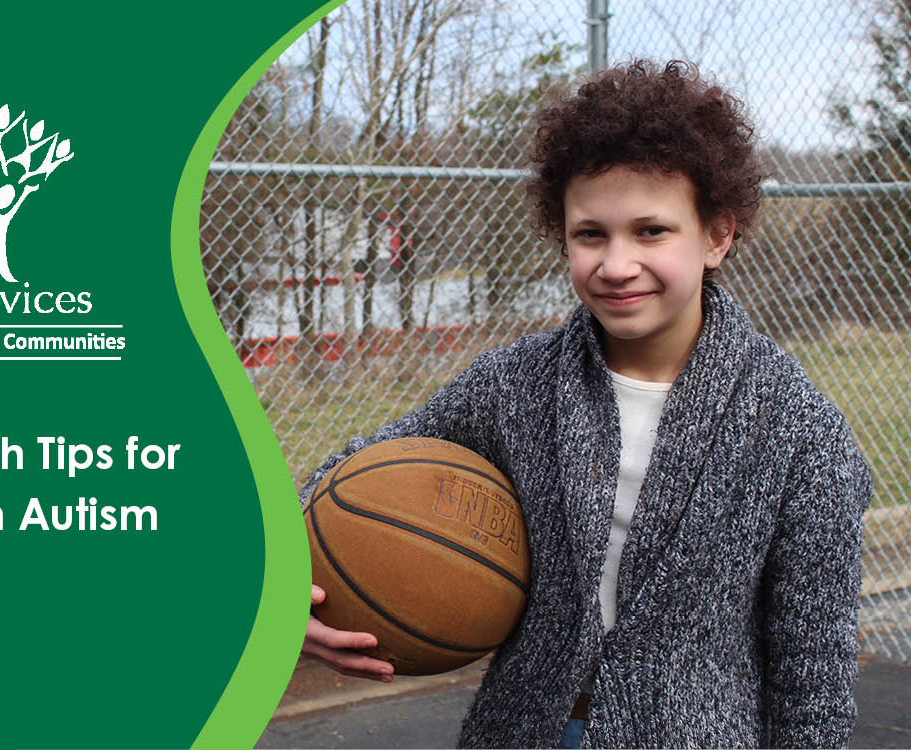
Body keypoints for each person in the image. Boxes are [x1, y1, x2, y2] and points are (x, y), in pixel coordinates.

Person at [297, 59, 872, 749]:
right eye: (590, 234)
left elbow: (814, 682)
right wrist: (285, 586)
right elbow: (355, 469)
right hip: (523, 732)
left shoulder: (800, 431)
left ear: (716, 235)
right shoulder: (516, 386)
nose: (616, 264)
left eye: (651, 231)